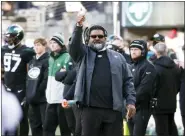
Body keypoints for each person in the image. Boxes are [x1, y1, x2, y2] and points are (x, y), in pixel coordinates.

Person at [67, 11, 136, 136]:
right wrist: (78, 26)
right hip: (89, 111)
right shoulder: (83, 55)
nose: (97, 39)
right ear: (88, 39)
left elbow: (128, 81)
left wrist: (130, 102)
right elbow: (74, 46)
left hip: (113, 111)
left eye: (100, 36)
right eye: (93, 36)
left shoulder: (118, 57)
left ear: (105, 38)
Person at [1, 24, 35, 136]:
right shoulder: (3, 49)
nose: (8, 38)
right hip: (7, 87)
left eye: (11, 36)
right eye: (7, 36)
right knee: (8, 117)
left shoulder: (26, 51)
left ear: (18, 37)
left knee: (22, 117)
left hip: (20, 89)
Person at [43, 33, 72, 136]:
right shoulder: (50, 58)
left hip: (61, 100)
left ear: (60, 44)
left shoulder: (67, 56)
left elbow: (67, 75)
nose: (52, 45)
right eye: (51, 43)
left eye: (55, 42)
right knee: (47, 129)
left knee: (65, 130)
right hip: (50, 100)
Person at [127, 40, 157, 136]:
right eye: (131, 49)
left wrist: (131, 102)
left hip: (142, 108)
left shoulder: (149, 67)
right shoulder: (130, 66)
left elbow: (144, 90)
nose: (133, 51)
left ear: (143, 51)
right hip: (129, 107)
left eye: (136, 49)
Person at [152, 43, 181, 136]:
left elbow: (153, 87)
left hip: (158, 104)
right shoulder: (175, 67)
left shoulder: (155, 67)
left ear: (155, 51)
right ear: (166, 51)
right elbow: (179, 84)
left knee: (161, 129)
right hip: (172, 101)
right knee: (171, 126)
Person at [26, 38, 49, 136]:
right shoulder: (32, 61)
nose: (36, 47)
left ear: (44, 46)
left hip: (43, 99)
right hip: (32, 99)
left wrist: (38, 92)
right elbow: (29, 78)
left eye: (39, 45)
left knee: (45, 125)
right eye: (35, 45)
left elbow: (45, 80)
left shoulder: (48, 60)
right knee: (34, 125)